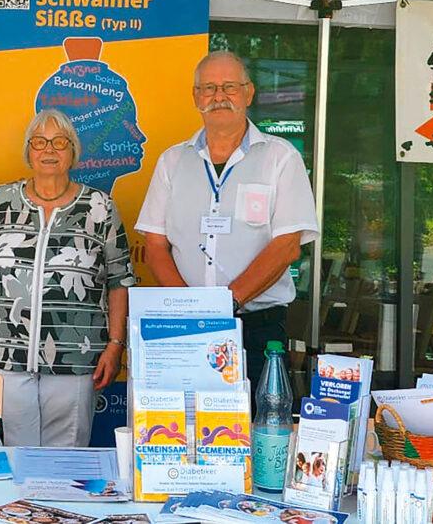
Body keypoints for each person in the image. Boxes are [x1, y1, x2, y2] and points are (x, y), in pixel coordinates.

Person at [135, 51, 319, 395]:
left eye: (229, 87)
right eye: (208, 88)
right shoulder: (172, 161)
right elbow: (156, 243)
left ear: (248, 93)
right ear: (195, 97)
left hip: (257, 327)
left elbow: (287, 247)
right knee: (182, 430)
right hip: (185, 328)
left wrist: (224, 307)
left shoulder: (281, 158)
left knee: (251, 433)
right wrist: (191, 311)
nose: (219, 96)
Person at [0, 108, 135, 447]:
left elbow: (119, 280)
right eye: (39, 142)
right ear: (28, 151)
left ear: (73, 152)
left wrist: (115, 345)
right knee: (8, 461)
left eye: (60, 142)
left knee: (65, 464)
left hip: (75, 357)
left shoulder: (99, 207)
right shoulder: (0, 201)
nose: (49, 150)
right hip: (4, 356)